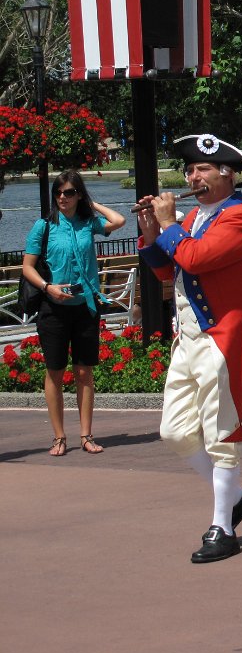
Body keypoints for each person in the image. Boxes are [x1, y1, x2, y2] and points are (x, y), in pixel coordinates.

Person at [136, 134, 242, 563]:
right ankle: (236, 498)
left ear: (227, 173)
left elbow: (197, 259)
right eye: (190, 171)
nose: (194, 177)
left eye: (203, 170)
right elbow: (165, 271)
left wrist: (170, 225)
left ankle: (222, 527)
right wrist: (151, 231)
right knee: (174, 431)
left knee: (221, 435)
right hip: (189, 339)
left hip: (224, 339)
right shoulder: (192, 217)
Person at [23, 170, 126, 457]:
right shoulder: (43, 226)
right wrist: (48, 287)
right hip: (53, 309)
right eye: (58, 193)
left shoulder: (88, 223)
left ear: (78, 194)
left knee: (84, 371)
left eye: (69, 192)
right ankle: (58, 437)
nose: (62, 198)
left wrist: (92, 205)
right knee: (55, 371)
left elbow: (119, 221)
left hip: (85, 306)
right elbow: (27, 267)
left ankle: (86, 435)